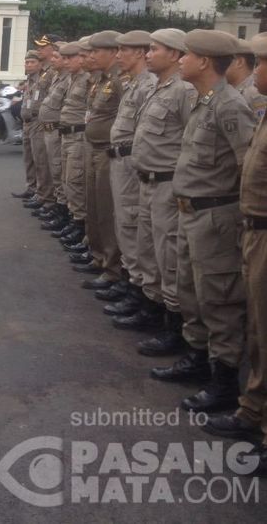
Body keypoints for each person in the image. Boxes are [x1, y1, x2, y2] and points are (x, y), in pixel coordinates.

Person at [151, 29, 256, 414]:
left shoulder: (229, 106)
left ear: (205, 62)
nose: (181, 60)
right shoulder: (204, 100)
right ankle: (197, 361)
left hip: (215, 218)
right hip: (190, 212)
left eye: (187, 55)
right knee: (191, 292)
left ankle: (224, 382)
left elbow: (250, 166)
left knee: (219, 300)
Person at [202, 31, 267, 475]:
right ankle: (252, 412)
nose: (254, 70)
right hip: (254, 229)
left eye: (261, 63)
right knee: (259, 334)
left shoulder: (240, 105)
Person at [123, 29, 197, 356]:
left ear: (176, 54)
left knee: (168, 258)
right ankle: (150, 309)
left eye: (155, 49)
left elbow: (191, 141)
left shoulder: (185, 91)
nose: (148, 54)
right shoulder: (157, 87)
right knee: (148, 251)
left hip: (169, 184)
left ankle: (174, 329)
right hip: (147, 180)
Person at [104, 31, 157, 328]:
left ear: (139, 53)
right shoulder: (134, 83)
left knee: (132, 224)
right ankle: (130, 285)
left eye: (123, 50)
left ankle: (139, 296)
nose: (118, 55)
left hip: (132, 162)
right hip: (121, 159)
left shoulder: (148, 85)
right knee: (123, 222)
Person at [77, 31, 124, 290]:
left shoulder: (119, 80)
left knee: (107, 211)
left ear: (112, 52)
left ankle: (112, 268)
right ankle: (98, 256)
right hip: (94, 147)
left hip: (108, 151)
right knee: (93, 205)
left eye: (96, 52)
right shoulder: (102, 79)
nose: (91, 56)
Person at [55, 41, 89, 246]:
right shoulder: (73, 78)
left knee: (75, 181)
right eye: (64, 58)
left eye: (70, 58)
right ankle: (72, 219)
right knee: (66, 179)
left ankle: (79, 225)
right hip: (66, 134)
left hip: (79, 136)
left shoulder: (87, 80)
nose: (66, 62)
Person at [37, 48, 71, 230]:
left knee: (59, 173)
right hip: (49, 130)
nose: (54, 60)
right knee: (52, 169)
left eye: (58, 57)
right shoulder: (58, 77)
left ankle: (62, 212)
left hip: (60, 131)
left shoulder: (70, 80)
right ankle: (56, 207)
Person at [26, 34, 59, 213]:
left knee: (45, 164)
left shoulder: (52, 71)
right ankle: (42, 195)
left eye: (43, 47)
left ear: (53, 48)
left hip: (46, 123)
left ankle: (47, 199)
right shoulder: (47, 71)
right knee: (38, 161)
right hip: (37, 121)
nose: (39, 49)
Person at [12, 51, 41, 199]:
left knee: (38, 159)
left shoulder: (42, 80)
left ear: (39, 64)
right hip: (27, 123)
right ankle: (31, 188)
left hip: (36, 123)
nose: (29, 65)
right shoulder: (29, 80)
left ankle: (39, 192)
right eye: (27, 62)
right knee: (28, 158)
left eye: (32, 62)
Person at [226, 37, 267, 119]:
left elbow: (259, 128)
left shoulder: (255, 93)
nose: (218, 65)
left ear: (239, 62)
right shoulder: (230, 88)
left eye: (224, 60)